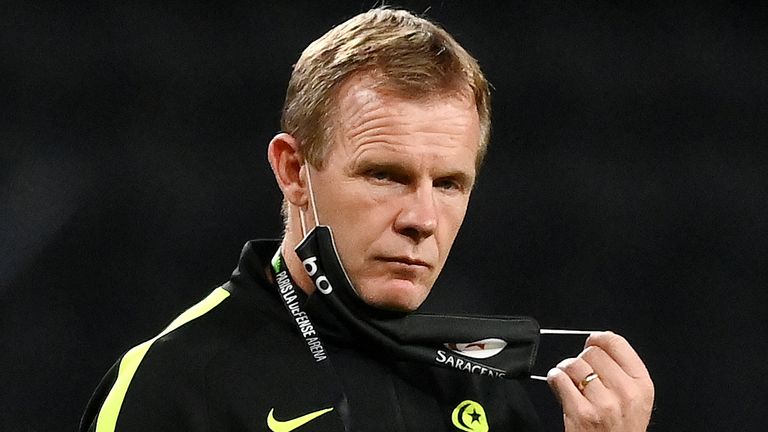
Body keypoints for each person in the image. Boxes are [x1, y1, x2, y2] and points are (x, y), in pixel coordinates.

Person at [80, 8, 654, 432]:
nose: (422, 219)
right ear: (293, 170)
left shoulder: (485, 390)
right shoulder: (176, 388)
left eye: (449, 184)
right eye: (385, 175)